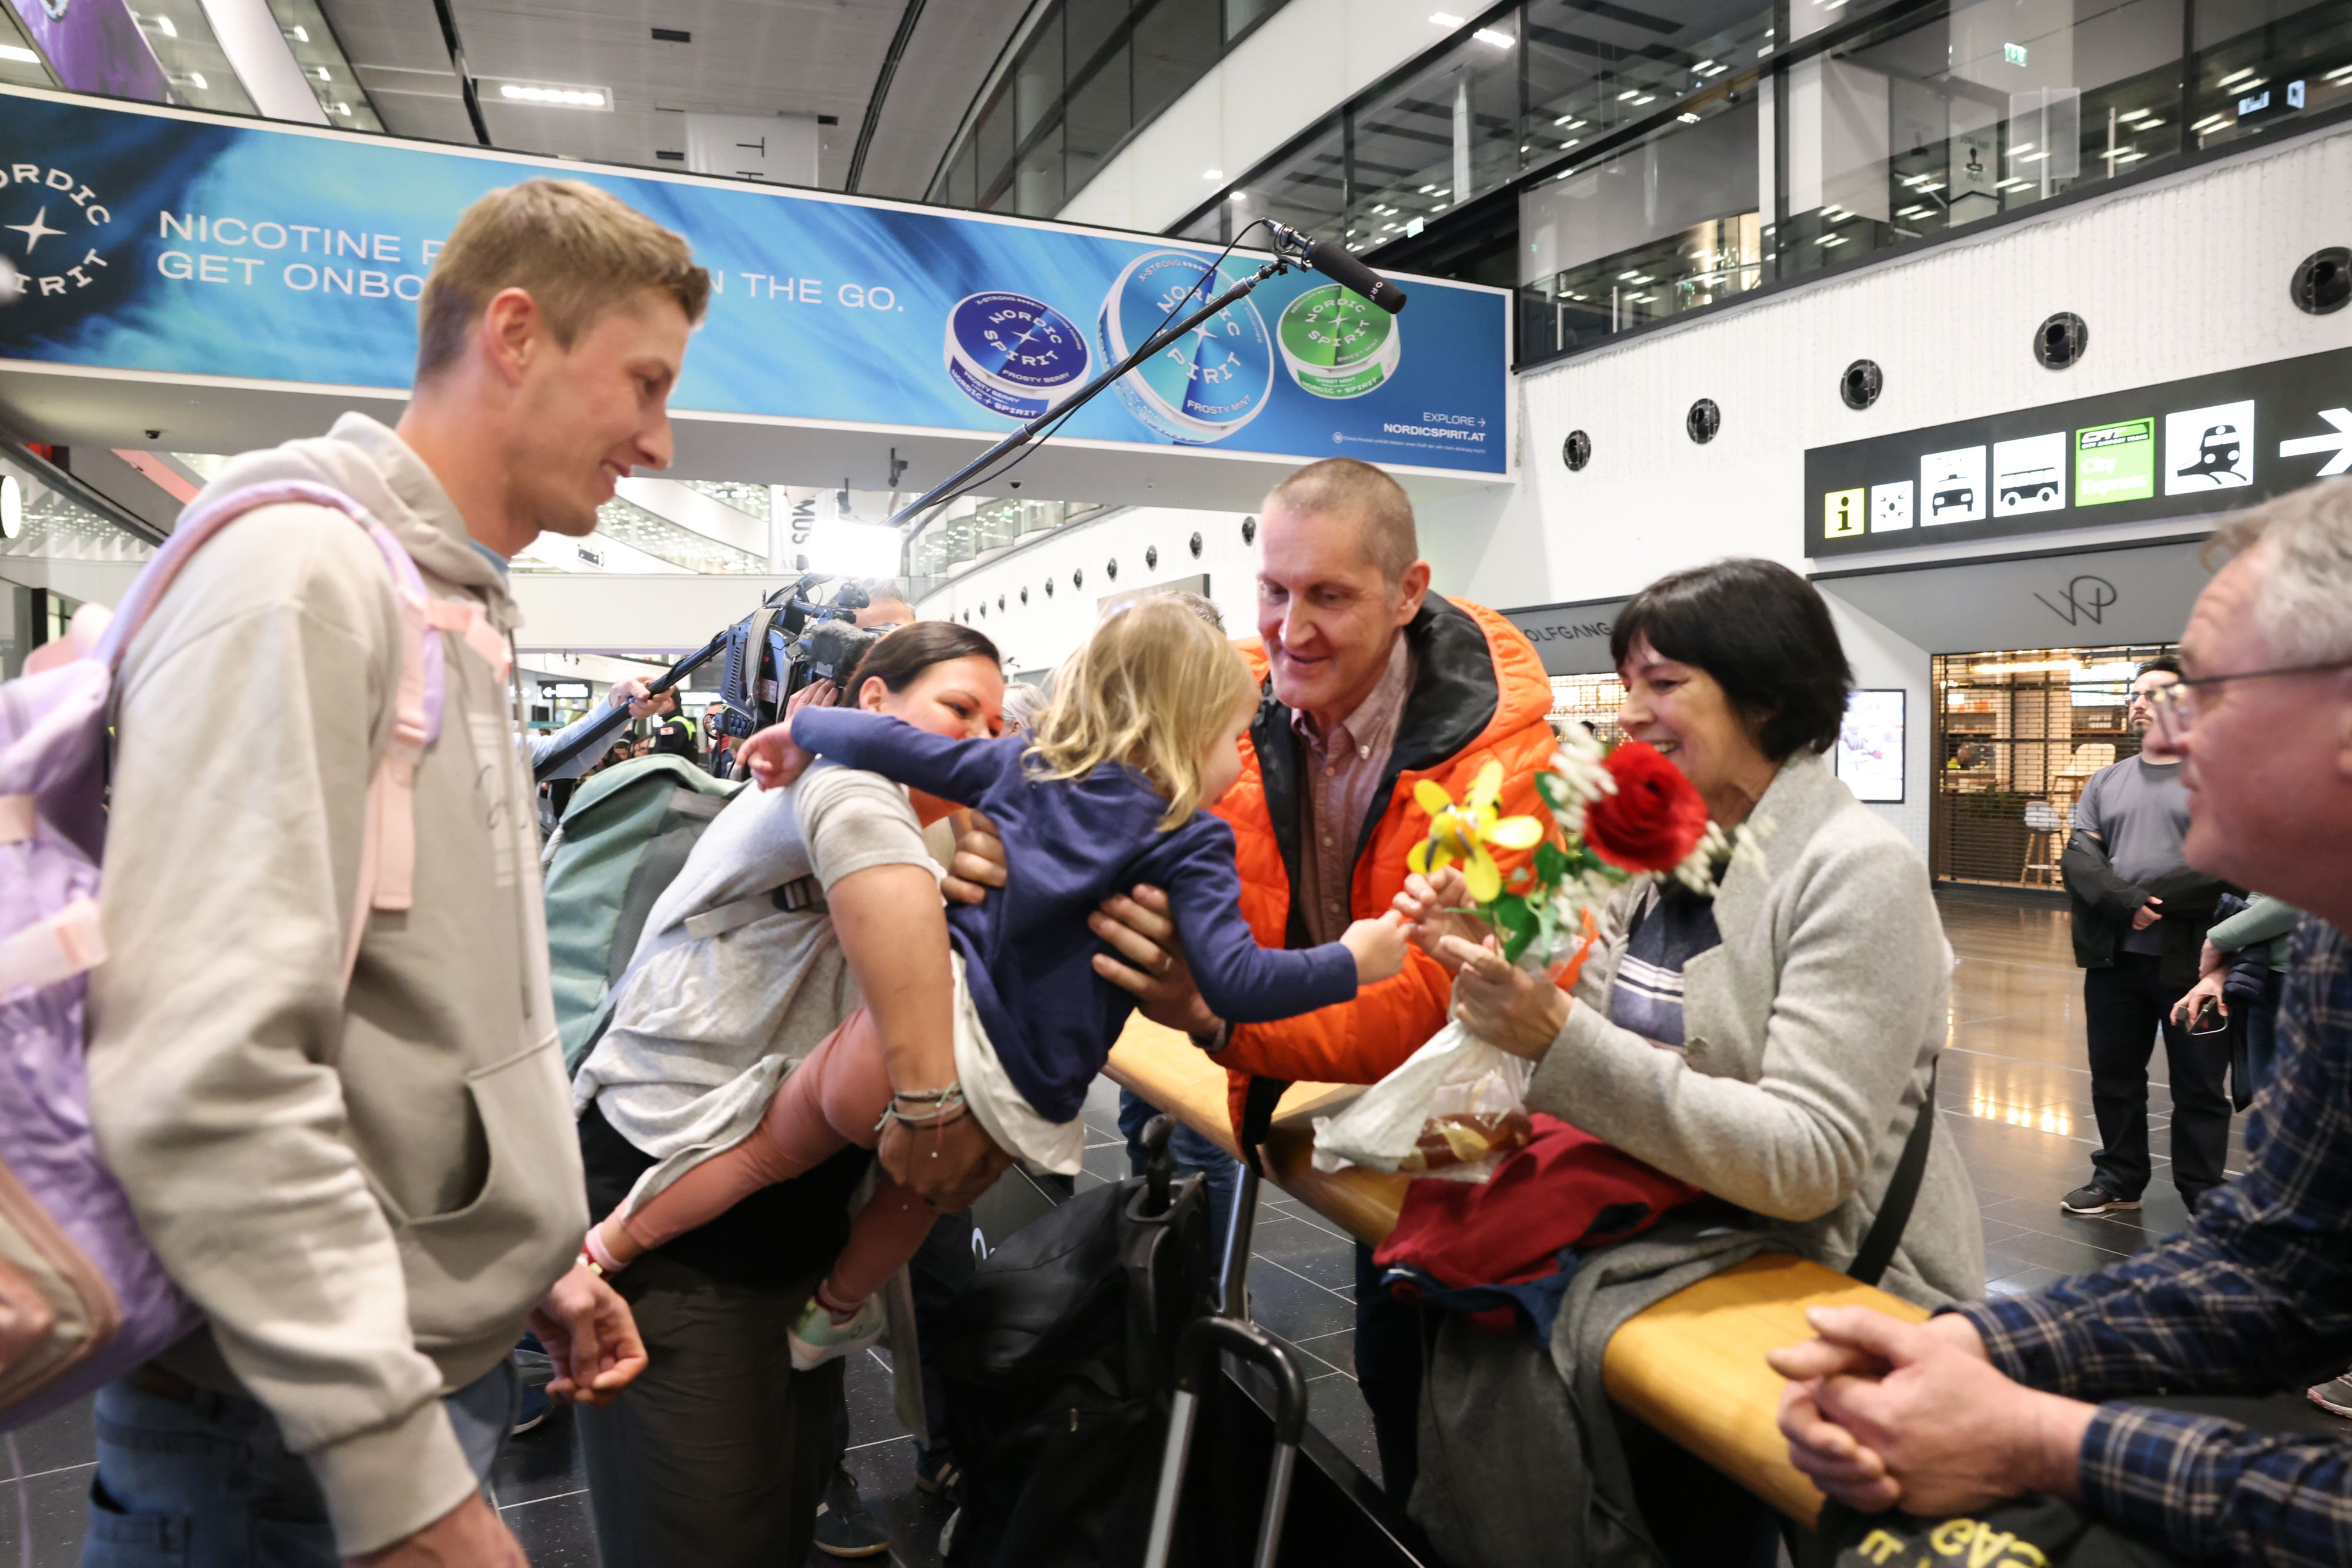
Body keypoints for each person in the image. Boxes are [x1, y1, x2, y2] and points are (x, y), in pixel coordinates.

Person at [83, 178, 696, 1566]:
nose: (658, 442)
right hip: (282, 1434)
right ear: (517, 334)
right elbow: (206, 1066)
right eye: (645, 383)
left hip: (384, 1365)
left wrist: (526, 1261)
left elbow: (421, 1001)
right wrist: (399, 1481)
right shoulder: (299, 581)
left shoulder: (443, 599)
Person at [1772, 479, 2352, 1567]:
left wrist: (2042, 1438)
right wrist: (1975, 1340)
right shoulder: (2333, 933)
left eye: (2208, 694)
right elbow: (2284, 1259)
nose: (2168, 735)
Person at [595, 598, 1411, 1356]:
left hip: (912, 1029)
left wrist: (796, 734)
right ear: (1192, 731)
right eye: (1233, 738)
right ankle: (831, 1314)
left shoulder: (1020, 764)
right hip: (1003, 1092)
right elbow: (1236, 983)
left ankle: (608, 1246)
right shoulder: (1189, 840)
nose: (1237, 759)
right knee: (916, 1199)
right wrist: (1356, 959)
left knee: (764, 1148)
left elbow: (879, 741)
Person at [1401, 557, 1982, 1568]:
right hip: (1685, 1255)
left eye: (1664, 683)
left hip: (1836, 1282)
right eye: (1630, 682)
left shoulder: (1856, 870)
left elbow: (1806, 1160)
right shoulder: (1667, 855)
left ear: (1767, 698)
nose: (1631, 713)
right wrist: (1489, 961)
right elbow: (1594, 1046)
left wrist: (1556, 1035)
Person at [1080, 456, 1559, 1499]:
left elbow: (1435, 1006)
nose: (1290, 628)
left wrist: (1217, 1017)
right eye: (1273, 589)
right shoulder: (1225, 700)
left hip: (1466, 1130)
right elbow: (1085, 792)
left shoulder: (1508, 769)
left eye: (1329, 596)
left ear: (1408, 592)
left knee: (1436, 1392)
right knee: (1387, 1364)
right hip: (1324, 1098)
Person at [569, 620, 1014, 1568]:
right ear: (874, 705)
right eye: (959, 708)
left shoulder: (921, 818)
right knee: (704, 1530)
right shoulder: (841, 785)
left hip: (790, 1223)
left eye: (997, 721)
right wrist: (934, 1107)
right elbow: (876, 862)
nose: (981, 737)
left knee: (776, 1502)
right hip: (677, 1219)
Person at [2059, 657, 2235, 1218]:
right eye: (2134, 694)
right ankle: (2119, 1177)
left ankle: (2203, 1192)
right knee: (2114, 1075)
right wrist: (2124, 902)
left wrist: (2148, 903)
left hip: (2195, 961)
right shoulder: (2106, 780)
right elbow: (2080, 858)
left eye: (2154, 692)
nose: (2139, 702)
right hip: (2115, 956)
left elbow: (2227, 865)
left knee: (2199, 1084)